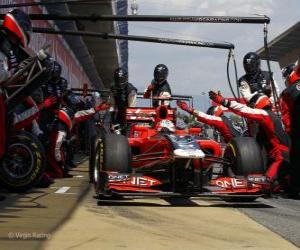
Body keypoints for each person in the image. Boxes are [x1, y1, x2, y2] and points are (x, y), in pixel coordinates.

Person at [209, 91, 290, 191]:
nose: (251, 107)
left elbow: (244, 110)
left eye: (252, 105)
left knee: (262, 184)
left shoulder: (265, 114)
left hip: (280, 157)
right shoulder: (274, 115)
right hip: (284, 155)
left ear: (258, 102)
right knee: (279, 185)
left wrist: (223, 101)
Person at [48, 90, 110, 178]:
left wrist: (98, 108)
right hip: (54, 137)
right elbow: (56, 146)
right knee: (58, 166)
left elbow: (84, 113)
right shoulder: (61, 112)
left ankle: (62, 167)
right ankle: (59, 167)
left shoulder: (72, 113)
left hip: (61, 137)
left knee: (64, 147)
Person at [280, 58, 300, 197]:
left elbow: (286, 117)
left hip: (296, 130)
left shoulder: (286, 93)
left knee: (296, 158)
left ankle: (294, 189)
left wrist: (289, 132)